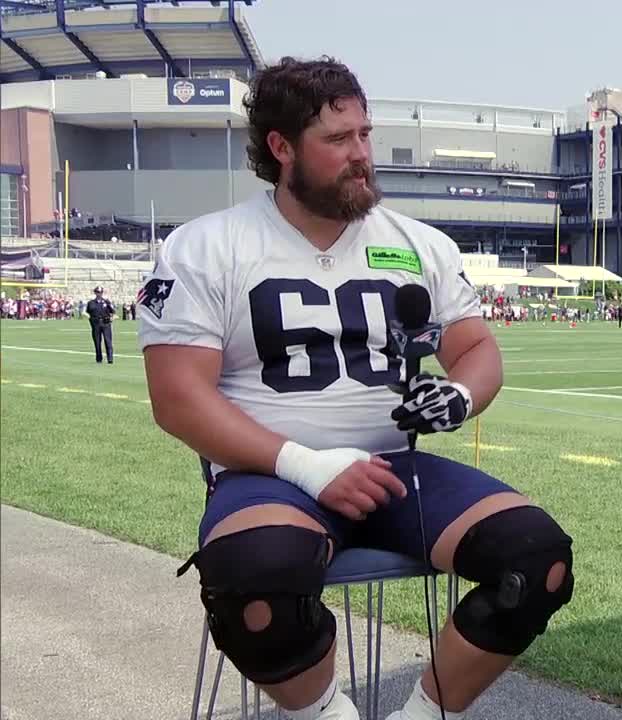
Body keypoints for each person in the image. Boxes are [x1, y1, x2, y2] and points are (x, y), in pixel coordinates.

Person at [138, 57, 574, 720]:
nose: (362, 155)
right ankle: (325, 714)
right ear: (282, 148)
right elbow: (177, 397)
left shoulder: (418, 243)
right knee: (257, 585)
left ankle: (423, 716)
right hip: (271, 472)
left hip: (396, 469)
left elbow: (476, 348)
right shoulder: (207, 246)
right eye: (338, 140)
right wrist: (308, 466)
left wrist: (458, 396)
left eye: (365, 135)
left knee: (537, 560)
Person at [86, 285, 115, 363]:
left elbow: (112, 311)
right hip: (96, 324)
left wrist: (111, 317)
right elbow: (88, 312)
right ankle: (99, 358)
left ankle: (110, 358)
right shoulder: (91, 303)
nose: (99, 294)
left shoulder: (106, 302)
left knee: (108, 341)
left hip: (106, 323)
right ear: (95, 293)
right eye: (98, 292)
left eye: (100, 292)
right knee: (97, 342)